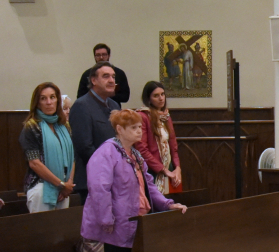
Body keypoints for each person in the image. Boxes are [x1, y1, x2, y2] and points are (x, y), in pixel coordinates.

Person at [81, 109, 187, 252]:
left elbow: (148, 186)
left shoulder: (134, 154)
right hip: (114, 223)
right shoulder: (107, 153)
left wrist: (167, 204)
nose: (140, 130)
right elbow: (100, 189)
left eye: (140, 126)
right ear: (120, 130)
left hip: (136, 219)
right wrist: (106, 219)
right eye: (134, 128)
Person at [69, 63, 122, 204]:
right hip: (92, 181)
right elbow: (84, 146)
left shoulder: (114, 105)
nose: (112, 80)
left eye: (113, 76)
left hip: (114, 179)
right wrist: (109, 168)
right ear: (93, 80)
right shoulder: (81, 105)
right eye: (106, 76)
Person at [19, 82, 75, 212]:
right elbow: (34, 163)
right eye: (43, 98)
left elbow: (71, 157)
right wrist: (60, 184)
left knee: (62, 231)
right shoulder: (32, 127)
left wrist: (68, 184)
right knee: (42, 231)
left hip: (64, 189)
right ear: (37, 103)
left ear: (57, 100)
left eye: (52, 97)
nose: (49, 102)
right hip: (41, 188)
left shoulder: (64, 126)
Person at [135, 81, 182, 194]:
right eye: (156, 96)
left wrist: (177, 168)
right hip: (153, 169)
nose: (161, 98)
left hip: (169, 167)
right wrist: (163, 170)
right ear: (148, 99)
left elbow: (173, 146)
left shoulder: (165, 116)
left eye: (162, 94)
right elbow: (141, 149)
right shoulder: (143, 116)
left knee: (174, 202)